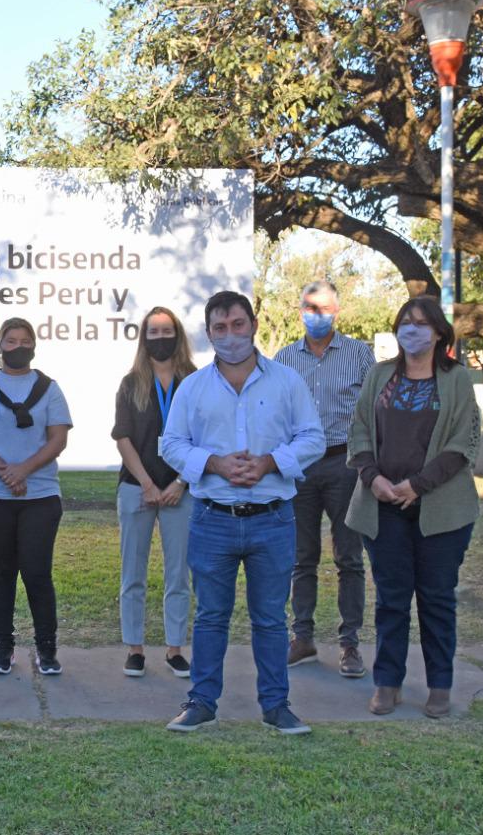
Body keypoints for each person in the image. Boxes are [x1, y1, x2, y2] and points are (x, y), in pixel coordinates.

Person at [160, 291, 324, 735]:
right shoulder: (192, 387)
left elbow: (313, 438)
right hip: (212, 518)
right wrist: (215, 463)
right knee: (210, 615)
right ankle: (200, 702)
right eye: (219, 328)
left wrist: (269, 462)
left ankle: (276, 706)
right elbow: (170, 444)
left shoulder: (287, 381)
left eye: (237, 324)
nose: (230, 335)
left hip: (272, 518)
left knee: (270, 618)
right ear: (209, 333)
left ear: (253, 324)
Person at [346, 296, 479, 719]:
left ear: (439, 332)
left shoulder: (457, 379)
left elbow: (464, 443)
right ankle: (388, 683)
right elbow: (360, 430)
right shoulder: (380, 374)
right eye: (406, 322)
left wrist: (417, 486)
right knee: (391, 599)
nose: (412, 330)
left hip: (441, 510)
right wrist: (374, 478)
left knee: (437, 599)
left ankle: (440, 685)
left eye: (422, 323)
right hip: (382, 506)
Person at [273, 280, 374, 678]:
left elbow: (372, 412)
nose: (317, 314)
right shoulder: (283, 358)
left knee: (349, 557)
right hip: (299, 468)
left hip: (343, 465)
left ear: (338, 311)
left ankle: (349, 644)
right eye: (309, 307)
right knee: (301, 558)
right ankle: (303, 638)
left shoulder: (359, 355)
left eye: (324, 308)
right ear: (299, 309)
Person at [0, 317, 72, 677]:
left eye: (24, 340)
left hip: (40, 496)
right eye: (10, 341)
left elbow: (58, 439)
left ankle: (47, 649)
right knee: (0, 574)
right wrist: (4, 471)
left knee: (37, 572)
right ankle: (3, 648)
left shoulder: (50, 388)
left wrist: (23, 471)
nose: (17, 347)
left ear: (34, 345)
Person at [111, 306, 196, 679]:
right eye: (153, 332)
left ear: (177, 334)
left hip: (183, 490)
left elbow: (205, 438)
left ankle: (175, 649)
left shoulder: (195, 380)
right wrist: (147, 484)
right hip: (136, 489)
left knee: (179, 574)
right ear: (143, 338)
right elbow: (123, 438)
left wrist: (181, 482)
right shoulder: (131, 383)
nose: (160, 338)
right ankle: (135, 649)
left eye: (167, 331)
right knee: (133, 573)